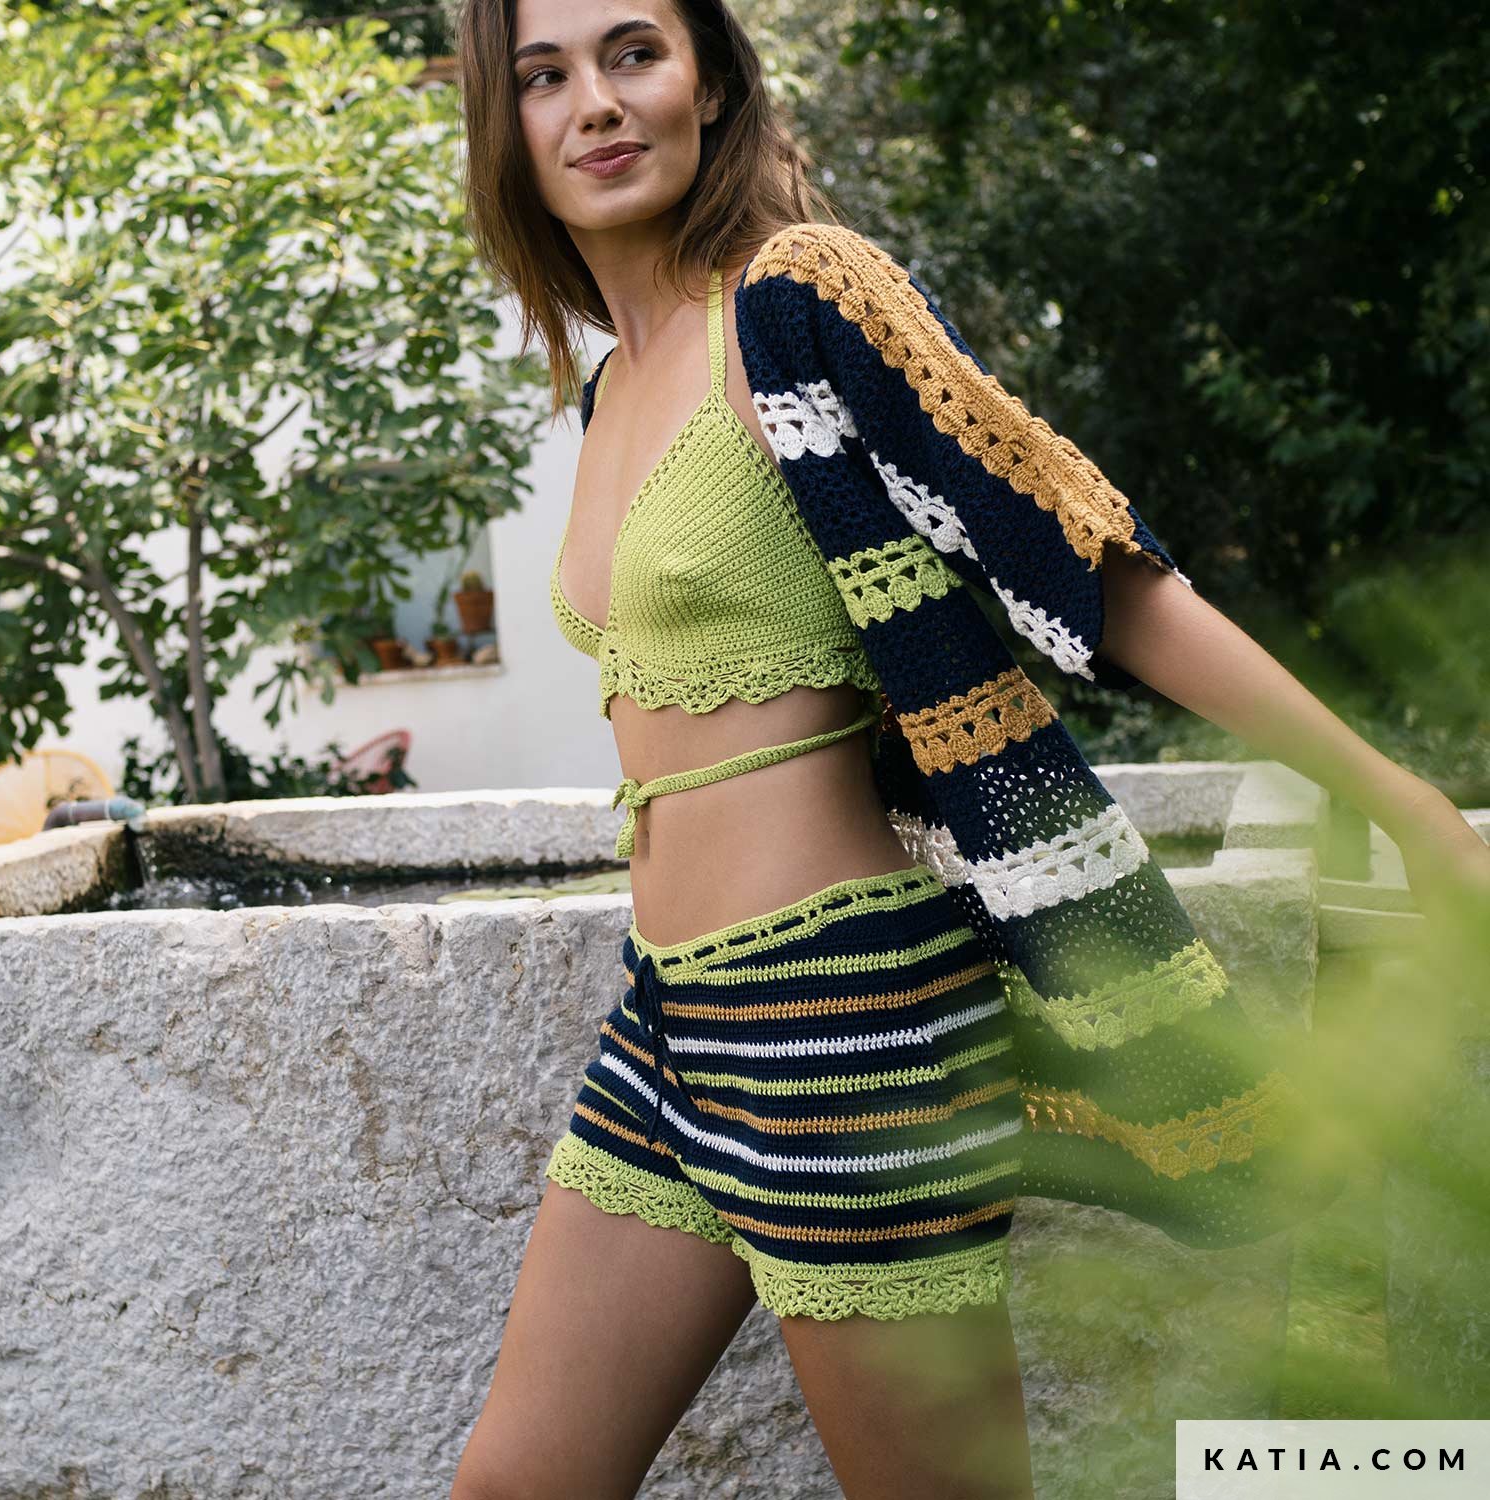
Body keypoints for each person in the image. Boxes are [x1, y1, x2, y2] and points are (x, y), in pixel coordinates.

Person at [447, 4, 1490, 1497]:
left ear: (711, 80)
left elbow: (1088, 558)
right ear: (507, 129)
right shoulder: (614, 381)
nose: (596, 105)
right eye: (545, 77)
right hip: (670, 1018)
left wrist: (1396, 797)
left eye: (633, 53)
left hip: (842, 1018)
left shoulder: (799, 300)